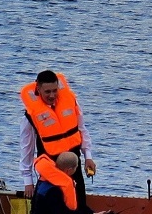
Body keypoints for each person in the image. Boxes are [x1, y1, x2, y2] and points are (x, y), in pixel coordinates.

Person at [20, 70, 98, 203]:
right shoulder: (30, 117)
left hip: (73, 163)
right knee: (53, 204)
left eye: (55, 90)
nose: (52, 95)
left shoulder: (71, 102)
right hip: (50, 167)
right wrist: (28, 180)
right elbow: (27, 149)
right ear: (38, 89)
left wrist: (88, 156)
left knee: (79, 201)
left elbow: (81, 130)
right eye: (47, 92)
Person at [29, 151, 114, 214]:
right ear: (69, 170)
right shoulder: (54, 191)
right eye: (76, 167)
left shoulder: (46, 180)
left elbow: (77, 207)